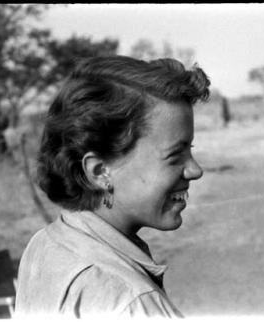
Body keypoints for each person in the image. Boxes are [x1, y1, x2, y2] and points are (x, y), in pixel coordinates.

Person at [15, 56, 210, 318]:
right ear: (100, 172)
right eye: (175, 155)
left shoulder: (45, 243)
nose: (195, 170)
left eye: (191, 149)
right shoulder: (132, 302)